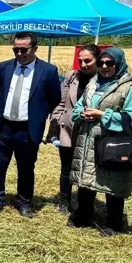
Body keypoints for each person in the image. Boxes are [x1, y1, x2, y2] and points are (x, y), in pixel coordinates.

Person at [0, 32, 61, 218]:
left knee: (26, 168)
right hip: (4, 127)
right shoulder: (4, 67)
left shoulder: (48, 71)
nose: (19, 53)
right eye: (16, 49)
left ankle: (24, 202)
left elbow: (55, 98)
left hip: (27, 129)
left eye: (23, 49)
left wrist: (39, 115)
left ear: (34, 49)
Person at [69, 47, 132, 235]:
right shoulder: (93, 83)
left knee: (112, 183)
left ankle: (114, 223)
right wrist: (82, 114)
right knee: (86, 180)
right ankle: (83, 215)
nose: (105, 66)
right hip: (88, 140)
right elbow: (77, 108)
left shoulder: (128, 88)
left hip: (113, 143)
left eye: (110, 63)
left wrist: (102, 114)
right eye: (101, 63)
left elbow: (130, 119)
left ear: (119, 64)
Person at [46, 44, 99, 215]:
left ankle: (85, 206)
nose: (84, 64)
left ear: (97, 59)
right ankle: (64, 200)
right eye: (81, 60)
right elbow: (60, 103)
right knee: (66, 167)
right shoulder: (71, 76)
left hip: (90, 132)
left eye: (88, 60)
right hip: (68, 130)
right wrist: (54, 128)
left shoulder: (102, 81)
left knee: (87, 169)